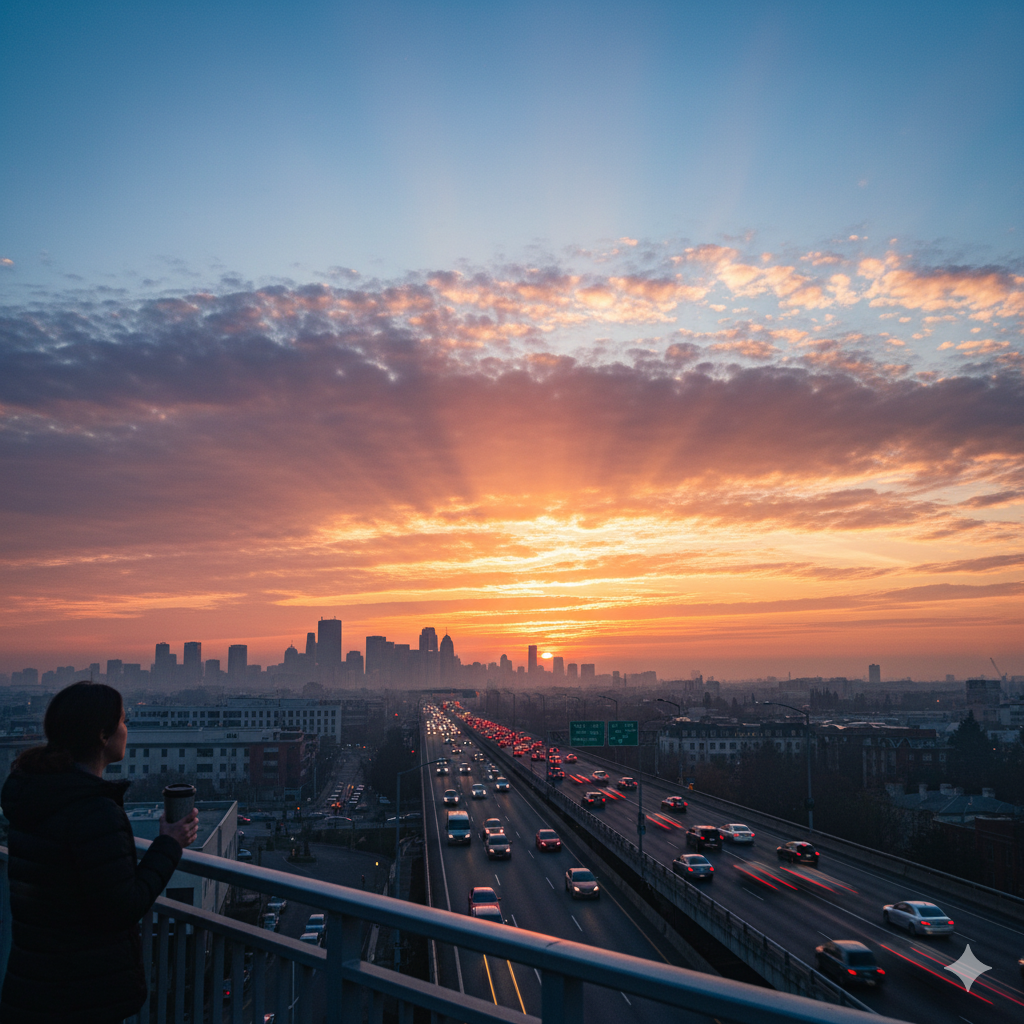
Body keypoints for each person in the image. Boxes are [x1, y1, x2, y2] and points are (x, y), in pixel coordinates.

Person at [0, 682, 199, 1024]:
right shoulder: (94, 812)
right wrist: (170, 843)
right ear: (104, 735)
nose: (127, 729)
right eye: (123, 721)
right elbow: (122, 906)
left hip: (33, 985)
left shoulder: (34, 796)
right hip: (81, 995)